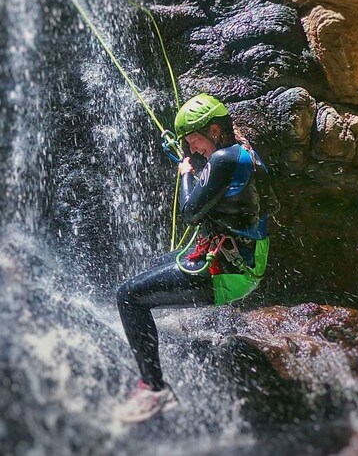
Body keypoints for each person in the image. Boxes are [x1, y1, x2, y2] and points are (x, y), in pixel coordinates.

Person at [114, 93, 278, 423]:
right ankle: (150, 344)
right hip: (234, 261)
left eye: (194, 141)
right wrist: (192, 164)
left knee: (128, 296)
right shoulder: (242, 154)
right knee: (150, 271)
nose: (193, 149)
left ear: (214, 131)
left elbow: (190, 211)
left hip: (227, 272)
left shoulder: (225, 160)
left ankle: (154, 389)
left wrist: (185, 172)